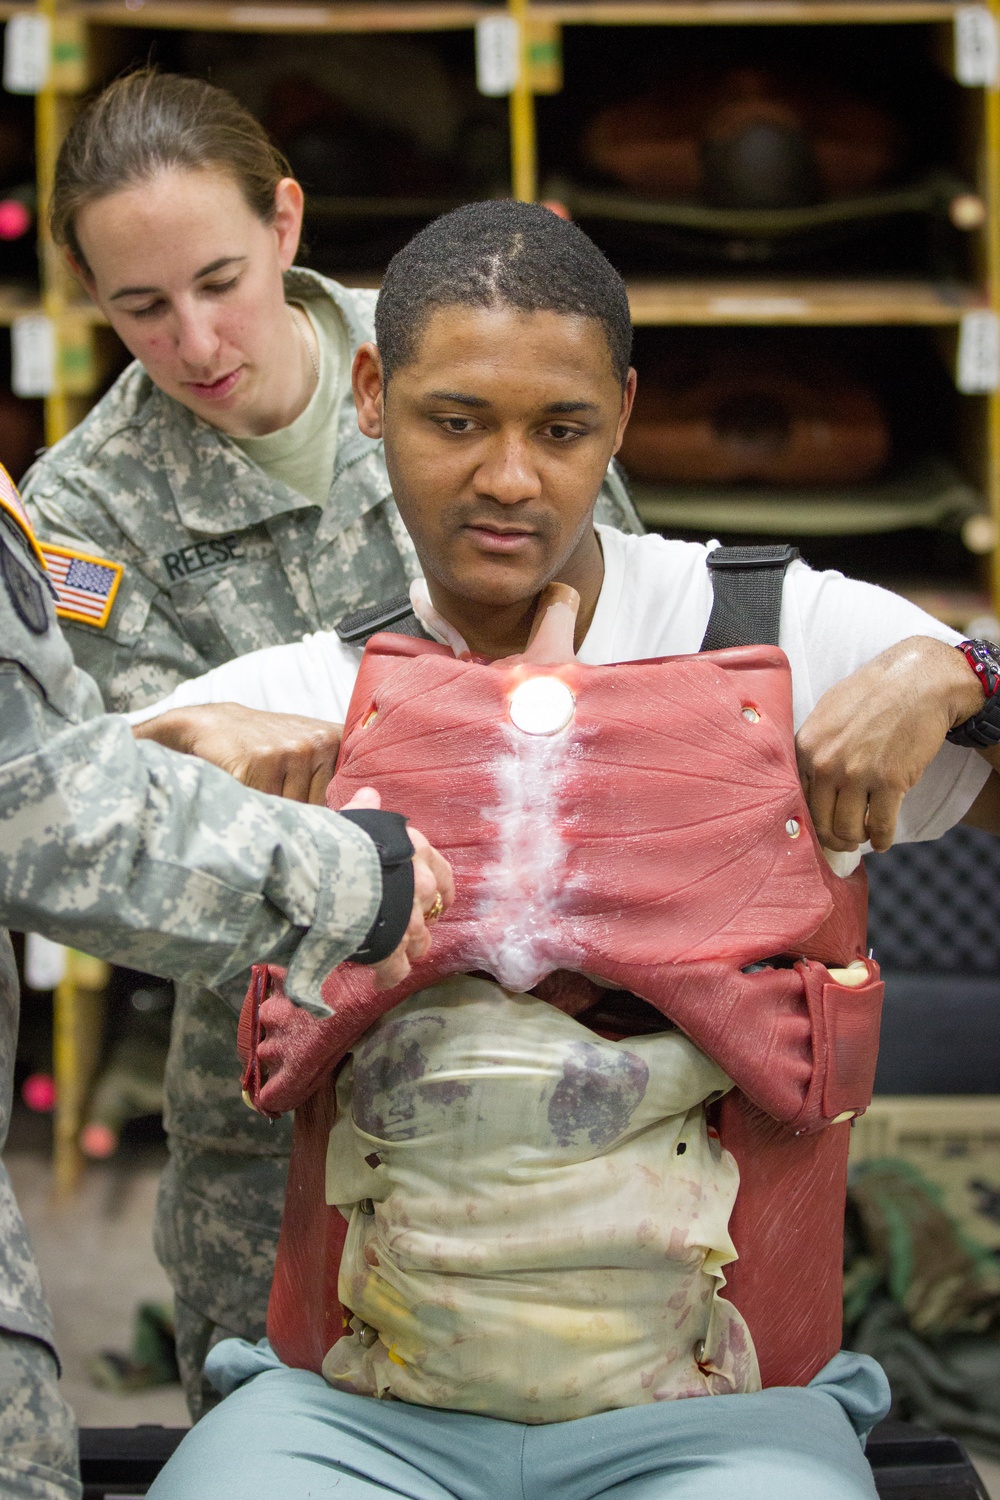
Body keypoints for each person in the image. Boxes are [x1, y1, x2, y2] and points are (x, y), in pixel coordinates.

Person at [133, 202, 999, 1498]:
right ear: (372, 394)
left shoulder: (790, 637)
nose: (509, 478)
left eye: (562, 429)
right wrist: (167, 763)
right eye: (456, 420)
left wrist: (964, 670)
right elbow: (43, 818)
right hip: (359, 1413)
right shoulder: (300, 695)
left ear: (626, 416)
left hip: (724, 1418)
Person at [18, 72, 643, 1410]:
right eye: (140, 308)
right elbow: (127, 835)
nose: (193, 339)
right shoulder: (83, 516)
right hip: (279, 1075)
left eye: (219, 279)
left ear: (287, 221)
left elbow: (633, 648)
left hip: (552, 1026)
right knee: (275, 1422)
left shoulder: (465, 351)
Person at [0, 465, 452, 1499]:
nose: (196, 341)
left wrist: (145, 748)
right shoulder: (94, 490)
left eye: (216, 286)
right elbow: (36, 804)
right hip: (271, 1119)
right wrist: (341, 875)